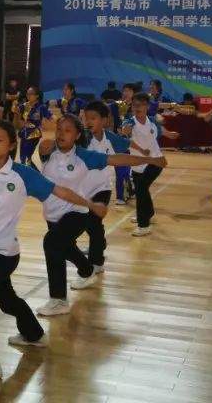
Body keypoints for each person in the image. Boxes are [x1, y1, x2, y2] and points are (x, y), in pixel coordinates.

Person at [0, 120, 98, 383]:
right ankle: (34, 334)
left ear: (11, 145)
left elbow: (60, 191)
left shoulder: (23, 175)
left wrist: (89, 204)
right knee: (5, 298)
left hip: (4, 254)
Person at [35, 114, 167, 316]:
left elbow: (118, 159)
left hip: (76, 213)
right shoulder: (48, 150)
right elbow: (43, 146)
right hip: (52, 215)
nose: (61, 134)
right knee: (64, 247)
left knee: (52, 244)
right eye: (59, 129)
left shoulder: (84, 156)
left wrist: (150, 159)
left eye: (68, 130)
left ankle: (58, 300)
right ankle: (87, 270)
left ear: (78, 135)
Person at [81, 101, 146, 272]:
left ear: (104, 120)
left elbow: (127, 143)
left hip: (103, 188)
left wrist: (144, 151)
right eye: (85, 118)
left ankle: (96, 263)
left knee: (94, 223)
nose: (88, 122)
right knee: (88, 224)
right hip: (82, 189)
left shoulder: (110, 138)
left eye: (93, 118)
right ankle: (99, 244)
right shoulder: (82, 138)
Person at [120, 93, 180, 236]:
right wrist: (125, 131)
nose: (137, 107)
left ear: (147, 106)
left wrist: (169, 133)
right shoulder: (130, 121)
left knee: (141, 190)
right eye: (134, 105)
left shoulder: (152, 121)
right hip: (137, 164)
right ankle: (148, 212)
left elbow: (159, 129)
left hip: (155, 161)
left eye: (140, 105)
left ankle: (144, 225)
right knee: (143, 190)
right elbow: (125, 131)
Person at [12, 86, 52, 170]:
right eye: (27, 94)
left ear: (37, 95)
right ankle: (34, 174)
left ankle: (34, 175)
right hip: (24, 134)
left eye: (31, 94)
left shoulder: (41, 107)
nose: (28, 95)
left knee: (26, 157)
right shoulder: (24, 106)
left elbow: (50, 117)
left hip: (34, 135)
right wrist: (15, 110)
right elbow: (16, 119)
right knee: (23, 158)